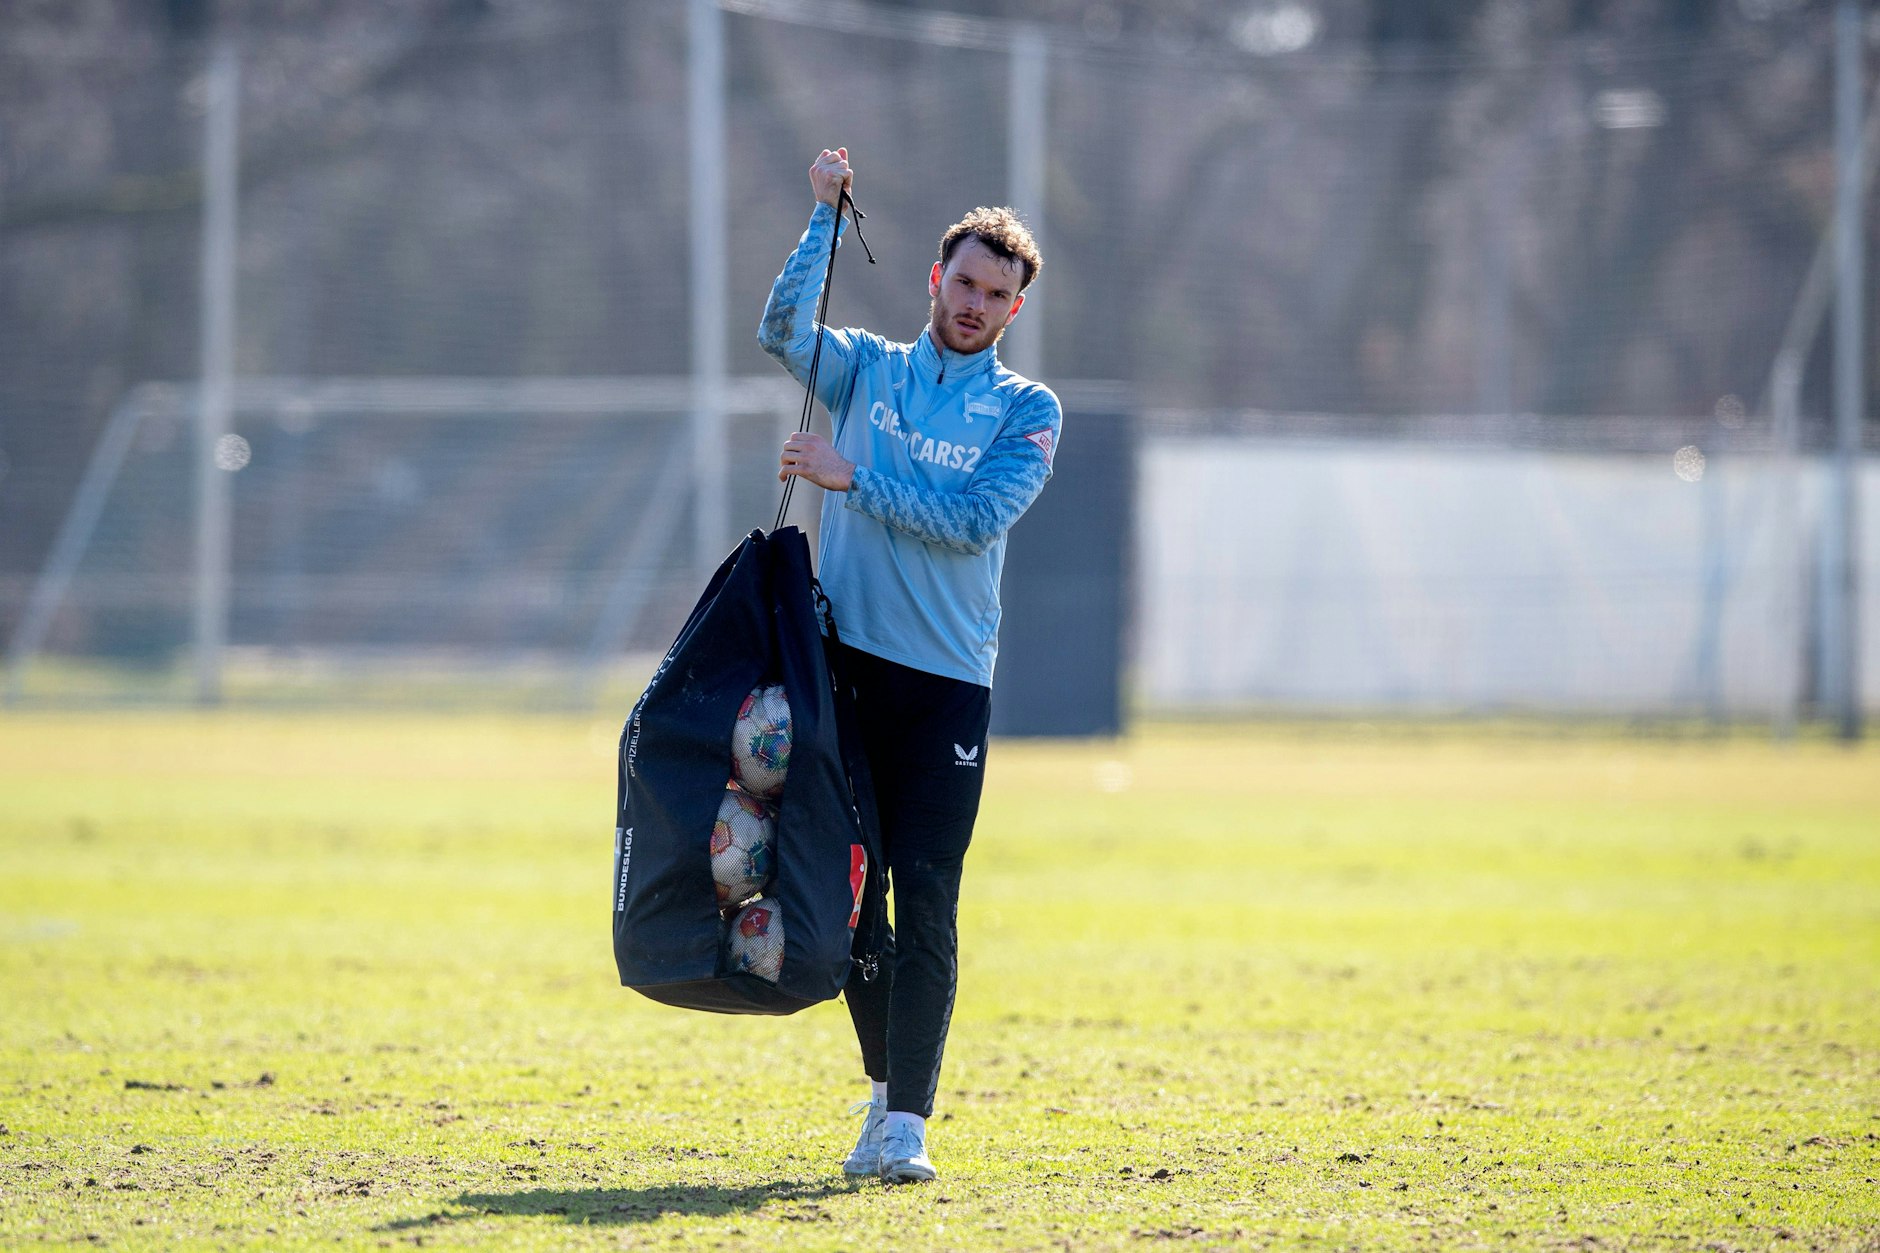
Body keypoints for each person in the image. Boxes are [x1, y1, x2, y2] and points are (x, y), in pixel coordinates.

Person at [758, 148, 1061, 1185]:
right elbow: (780, 330)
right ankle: (886, 1087)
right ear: (935, 278)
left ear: (1013, 308)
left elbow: (973, 522)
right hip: (842, 673)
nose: (974, 304)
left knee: (927, 897)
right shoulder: (868, 369)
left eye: (995, 295)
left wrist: (852, 478)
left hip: (944, 690)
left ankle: (905, 1123)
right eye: (963, 283)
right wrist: (821, 219)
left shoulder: (1027, 411)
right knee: (852, 898)